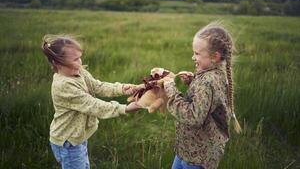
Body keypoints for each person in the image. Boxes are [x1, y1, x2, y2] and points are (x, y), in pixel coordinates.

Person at [41, 35, 141, 169]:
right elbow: (93, 105)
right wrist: (125, 108)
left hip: (79, 137)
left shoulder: (78, 71)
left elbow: (97, 86)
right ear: (57, 63)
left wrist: (122, 88)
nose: (80, 62)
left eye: (79, 57)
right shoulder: (63, 85)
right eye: (75, 59)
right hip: (68, 142)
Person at [162, 23, 242, 169]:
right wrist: (193, 81)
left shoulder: (207, 82)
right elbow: (207, 100)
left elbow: (194, 116)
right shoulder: (214, 76)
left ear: (215, 57)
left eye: (197, 53)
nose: (193, 57)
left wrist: (171, 92)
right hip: (188, 148)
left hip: (199, 155)